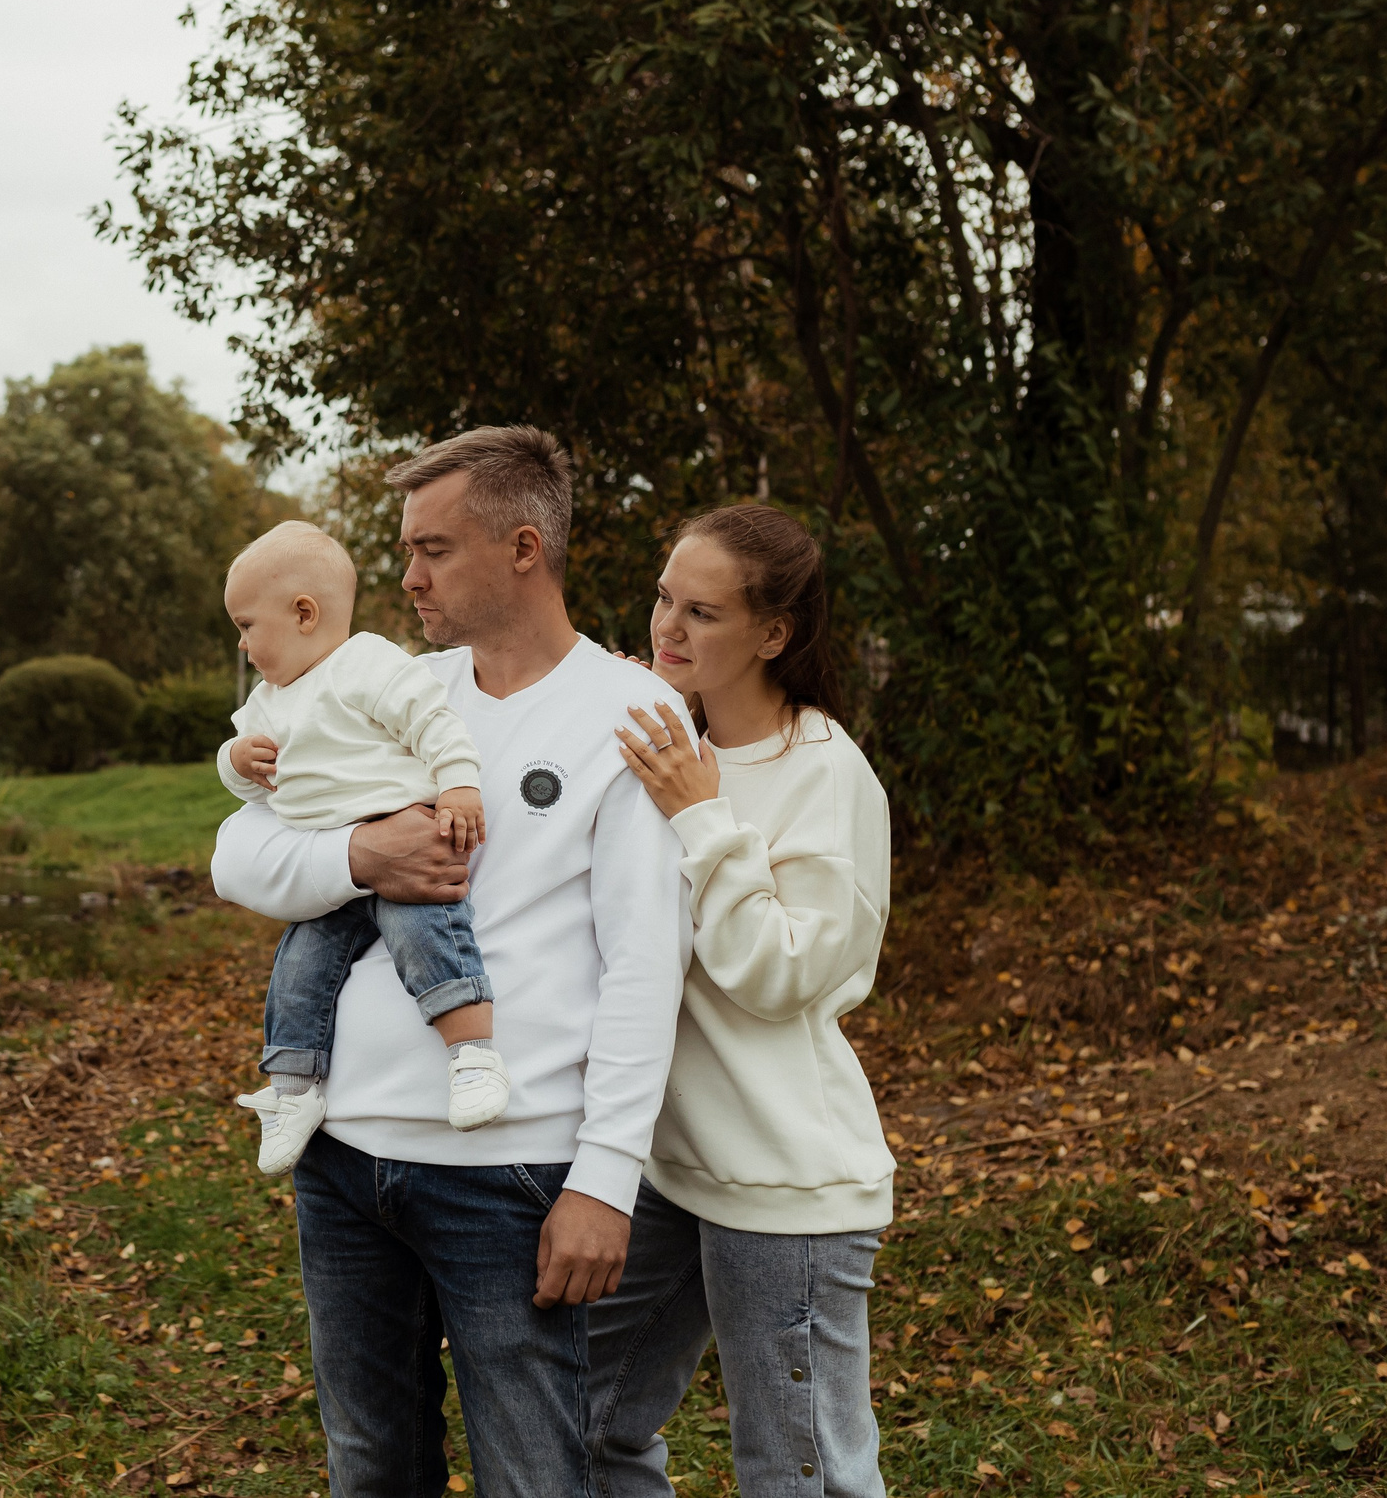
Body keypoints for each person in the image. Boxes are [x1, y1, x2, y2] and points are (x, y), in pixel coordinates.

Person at [207, 426, 696, 1498]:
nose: (405, 576)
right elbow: (238, 851)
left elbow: (644, 966)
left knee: (535, 1476)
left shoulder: (632, 717)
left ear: (524, 548)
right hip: (343, 1163)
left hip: (508, 1176)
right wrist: (356, 854)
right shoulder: (382, 687)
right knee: (373, 1465)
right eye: (403, 548)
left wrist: (606, 1179)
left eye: (432, 549)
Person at [589, 502, 894, 1498]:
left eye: (702, 614)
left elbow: (776, 977)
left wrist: (702, 816)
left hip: (783, 1184)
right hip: (666, 1168)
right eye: (662, 599)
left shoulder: (823, 773)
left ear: (774, 634)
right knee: (586, 1422)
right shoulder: (653, 740)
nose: (666, 630)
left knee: (797, 1477)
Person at [218, 520, 513, 1175]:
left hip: (404, 826)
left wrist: (460, 786)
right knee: (299, 967)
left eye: (246, 625)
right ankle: (294, 1089)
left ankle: (472, 1055)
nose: (242, 645)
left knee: (426, 936)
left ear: (303, 613)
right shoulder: (268, 701)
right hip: (335, 860)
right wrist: (238, 758)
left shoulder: (369, 665)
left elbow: (435, 723)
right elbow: (240, 789)